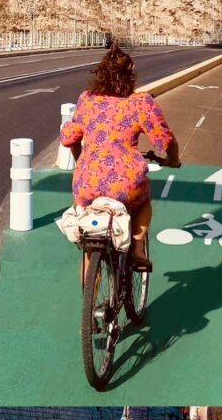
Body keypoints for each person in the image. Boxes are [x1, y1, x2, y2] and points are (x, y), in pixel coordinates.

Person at [59, 43, 181, 272]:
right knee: (143, 201)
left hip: (87, 184)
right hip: (126, 183)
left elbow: (70, 138)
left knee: (89, 250)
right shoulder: (140, 102)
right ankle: (138, 248)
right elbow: (166, 140)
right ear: (130, 76)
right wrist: (173, 160)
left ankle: (90, 291)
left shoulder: (87, 99)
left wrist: (81, 163)